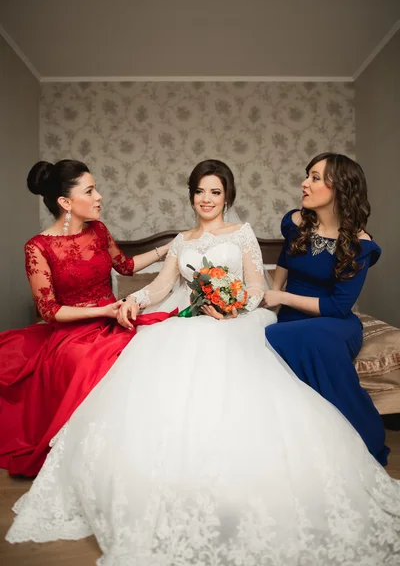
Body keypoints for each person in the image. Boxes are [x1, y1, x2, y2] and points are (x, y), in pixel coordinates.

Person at [6, 160, 400, 564]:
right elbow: (160, 287)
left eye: (215, 191)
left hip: (237, 320)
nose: (207, 199)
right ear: (191, 195)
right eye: (200, 191)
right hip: (190, 319)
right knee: (160, 365)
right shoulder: (181, 241)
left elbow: (257, 286)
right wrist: (132, 300)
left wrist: (232, 304)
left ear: (227, 196)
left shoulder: (242, 234)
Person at [0, 159, 173, 477]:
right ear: (65, 202)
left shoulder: (99, 230)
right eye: (90, 190)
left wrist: (169, 249)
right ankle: (94, 459)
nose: (99, 197)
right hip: (71, 333)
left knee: (155, 349)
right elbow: (49, 311)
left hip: (116, 318)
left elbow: (125, 266)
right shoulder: (37, 248)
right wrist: (103, 310)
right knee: (87, 362)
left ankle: (144, 453)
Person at [264, 152, 389, 466]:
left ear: (339, 188)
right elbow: (284, 264)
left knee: (318, 338)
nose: (304, 183)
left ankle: (363, 437)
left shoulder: (360, 244)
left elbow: (337, 306)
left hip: (335, 323)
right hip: (292, 319)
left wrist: (283, 299)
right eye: (308, 175)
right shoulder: (295, 222)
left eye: (315, 178)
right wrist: (271, 297)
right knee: (265, 334)